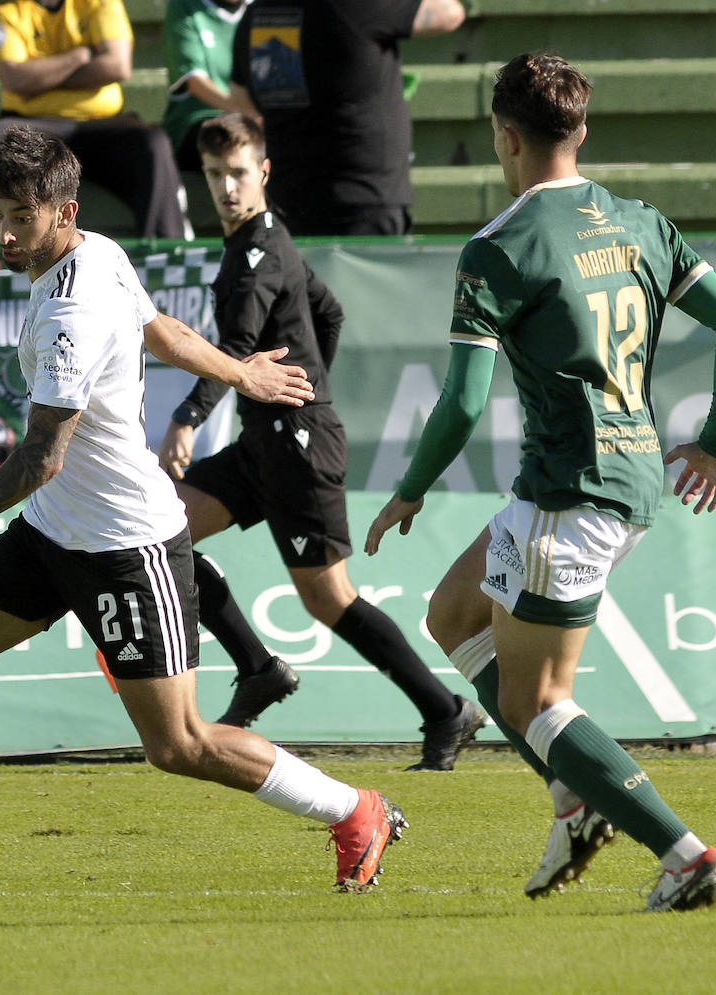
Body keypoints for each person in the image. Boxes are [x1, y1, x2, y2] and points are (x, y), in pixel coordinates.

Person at [0, 125, 406, 893]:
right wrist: (241, 371)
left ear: (65, 212)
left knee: (177, 743)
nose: (6, 232)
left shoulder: (68, 313)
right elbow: (164, 333)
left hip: (122, 544)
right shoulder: (101, 252)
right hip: (53, 533)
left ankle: (356, 809)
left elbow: (42, 458)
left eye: (23, 217)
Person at [364, 53, 716, 911]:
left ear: (504, 137)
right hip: (630, 477)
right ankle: (574, 801)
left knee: (538, 699)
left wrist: (409, 487)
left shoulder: (498, 246)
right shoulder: (640, 223)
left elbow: (464, 401)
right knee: (454, 613)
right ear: (580, 131)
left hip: (567, 492)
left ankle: (685, 854)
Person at [158, 113, 485, 770]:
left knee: (328, 597)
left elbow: (238, 352)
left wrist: (190, 415)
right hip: (268, 440)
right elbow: (327, 309)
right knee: (160, 530)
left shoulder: (256, 254)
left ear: (264, 172)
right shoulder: (271, 235)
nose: (227, 186)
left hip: (297, 447)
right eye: (217, 174)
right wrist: (307, 384)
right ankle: (258, 667)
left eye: (239, 173)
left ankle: (446, 710)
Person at [229, 0, 466, 236]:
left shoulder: (257, 15)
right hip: (363, 200)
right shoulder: (358, 5)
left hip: (286, 199)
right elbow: (450, 13)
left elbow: (239, 98)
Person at [0, 0, 187, 240]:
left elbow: (117, 66)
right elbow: (15, 79)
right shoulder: (3, 5)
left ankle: (165, 252)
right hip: (34, 129)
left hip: (103, 125)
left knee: (153, 143)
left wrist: (39, 79)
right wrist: (79, 55)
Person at [162, 0, 259, 173]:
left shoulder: (264, 9)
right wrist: (249, 115)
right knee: (227, 139)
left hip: (256, 118)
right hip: (198, 120)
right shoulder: (184, 6)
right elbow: (195, 81)